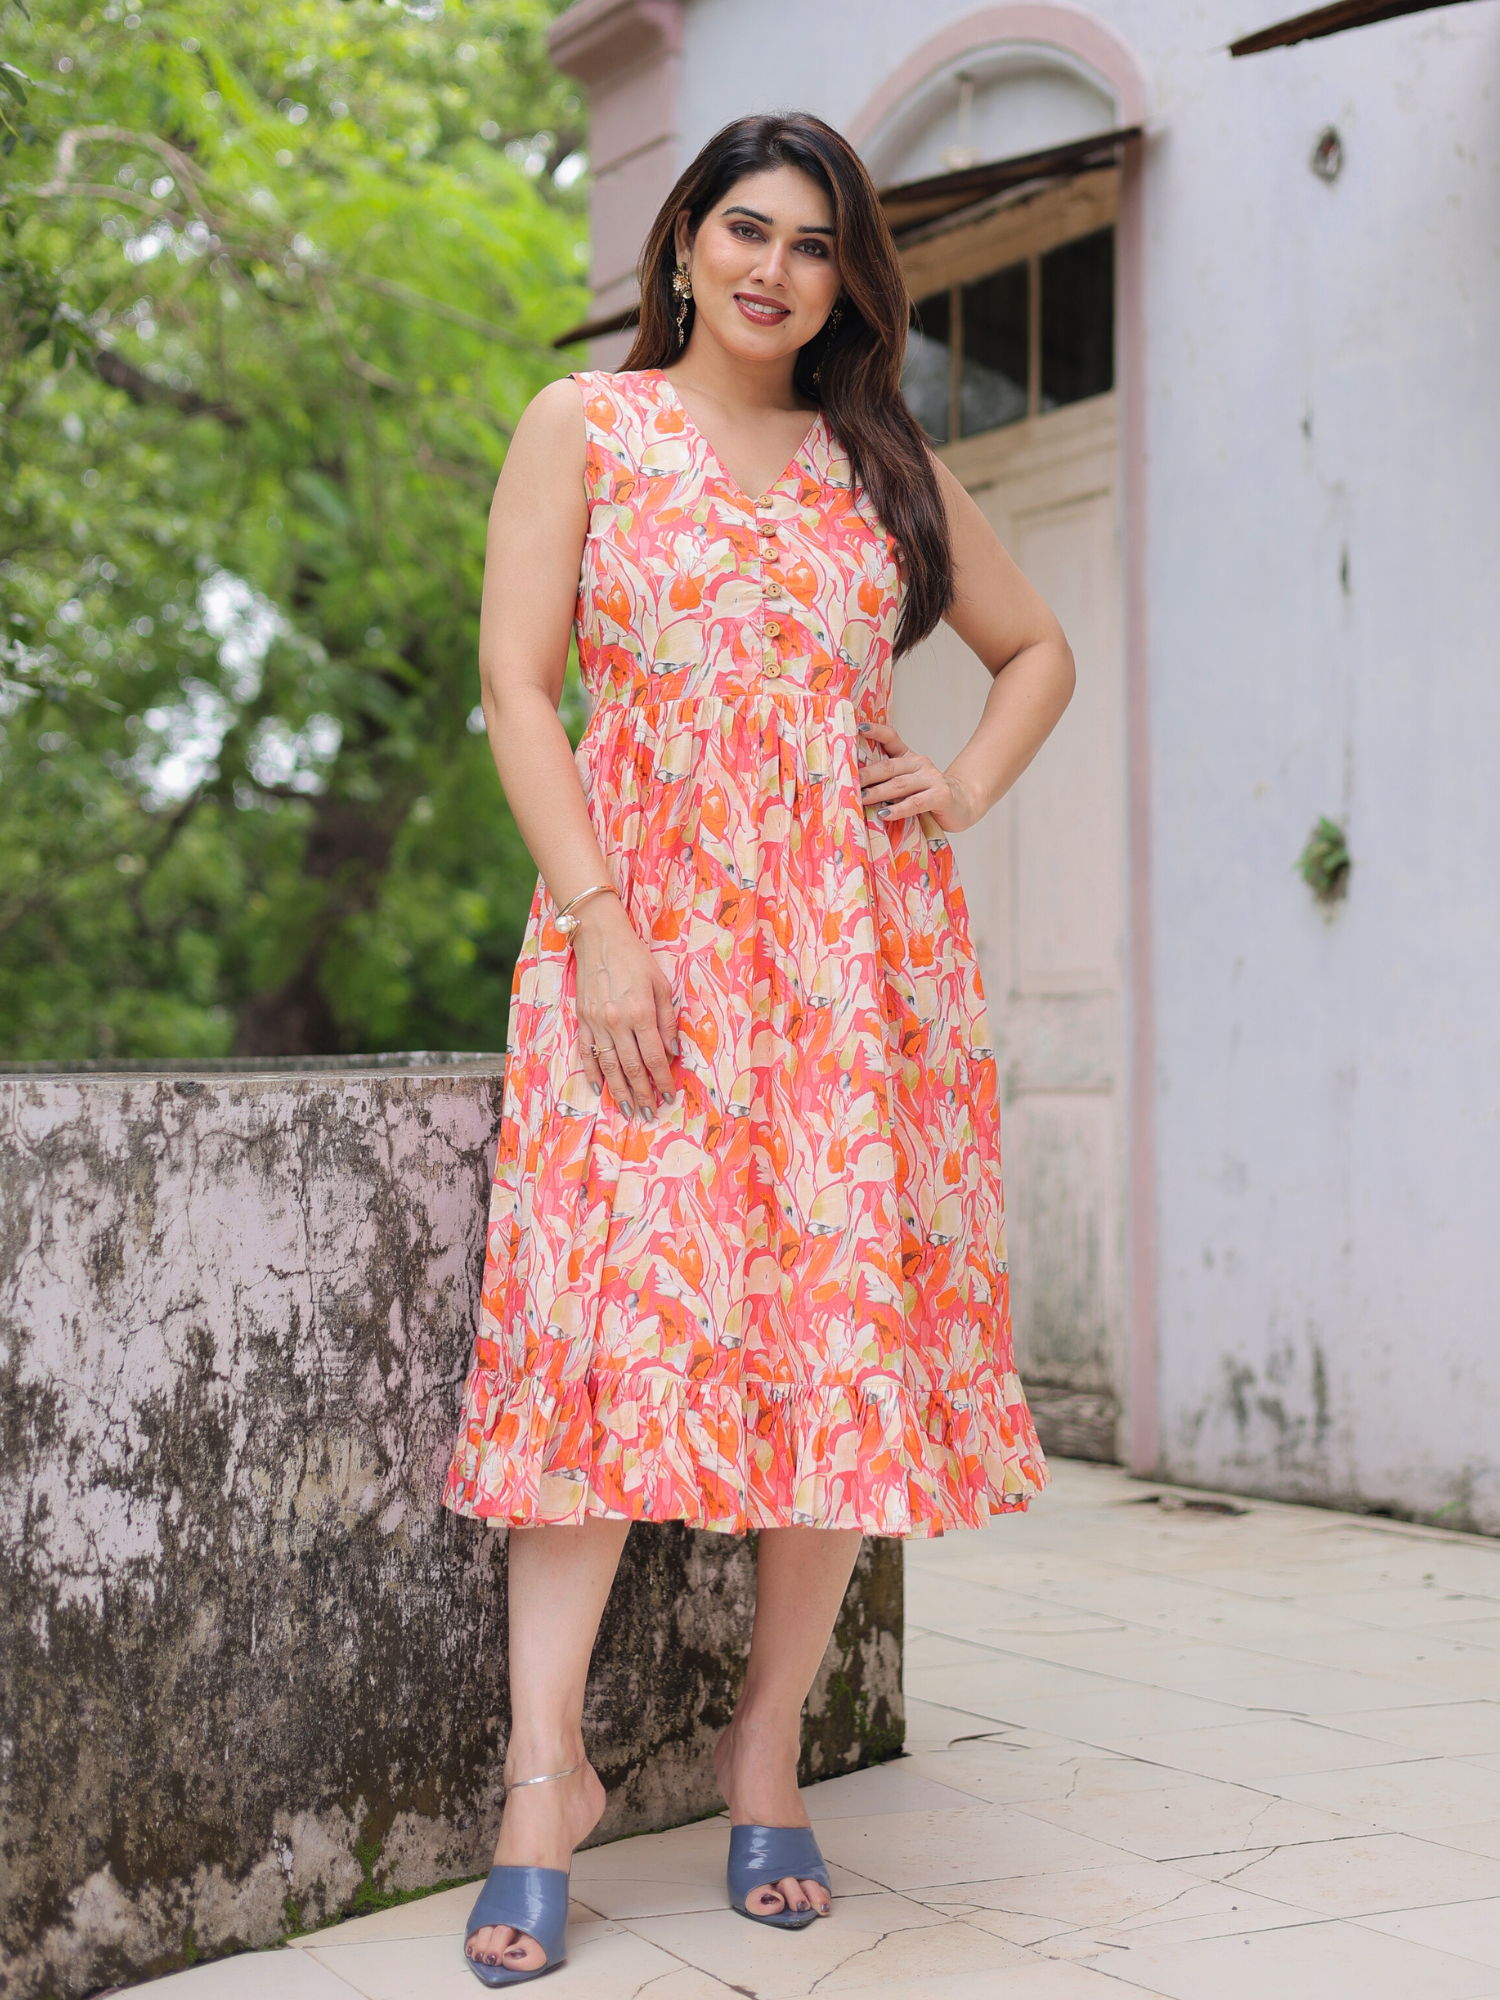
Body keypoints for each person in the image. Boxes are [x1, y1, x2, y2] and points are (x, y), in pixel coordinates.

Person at [443, 110, 1075, 1986]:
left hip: (849, 980)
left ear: (843, 282)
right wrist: (602, 923)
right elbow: (515, 685)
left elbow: (1034, 649)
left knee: (826, 1364)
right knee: (586, 1363)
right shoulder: (589, 428)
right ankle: (540, 1783)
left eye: (813, 246)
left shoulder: (879, 461)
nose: (772, 269)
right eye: (746, 227)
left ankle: (766, 1750)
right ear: (684, 241)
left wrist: (950, 780)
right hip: (633, 968)